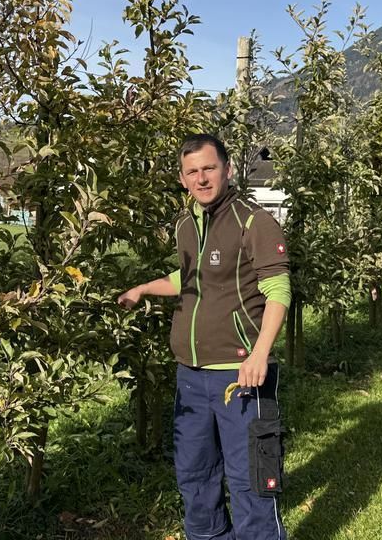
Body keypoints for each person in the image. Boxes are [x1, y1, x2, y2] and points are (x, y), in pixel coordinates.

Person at [118, 134, 290, 540]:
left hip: (240, 377)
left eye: (209, 168)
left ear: (227, 170)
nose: (202, 178)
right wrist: (143, 288)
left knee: (250, 483)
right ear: (182, 179)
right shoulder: (185, 224)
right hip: (191, 378)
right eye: (192, 171)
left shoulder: (254, 221)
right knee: (196, 479)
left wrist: (258, 355)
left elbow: (278, 290)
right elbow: (191, 278)